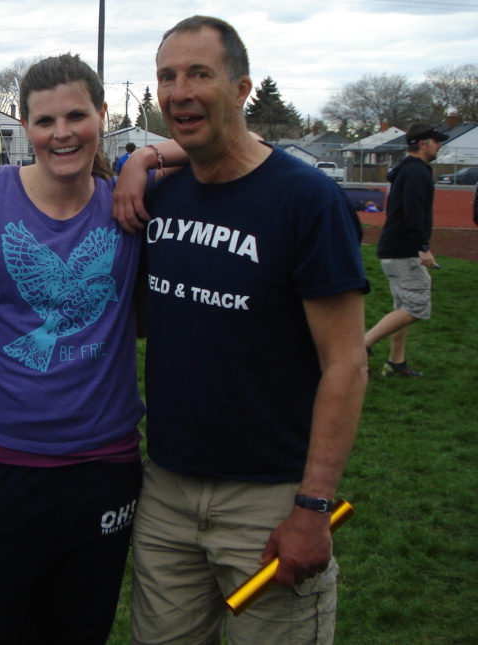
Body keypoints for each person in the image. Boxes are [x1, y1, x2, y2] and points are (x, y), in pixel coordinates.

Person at [114, 16, 368, 644]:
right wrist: (139, 160)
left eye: (200, 73)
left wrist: (312, 505)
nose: (180, 92)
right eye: (167, 77)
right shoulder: (162, 199)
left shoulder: (305, 201)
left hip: (270, 499)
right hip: (167, 490)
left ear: (242, 88)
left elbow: (346, 362)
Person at [0, 53, 156, 645]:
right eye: (44, 121)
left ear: (103, 115)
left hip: (102, 466)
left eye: (77, 116)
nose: (61, 134)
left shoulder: (124, 205)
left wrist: (146, 157)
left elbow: (231, 144)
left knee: (80, 630)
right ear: (24, 127)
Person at [364, 122, 448, 377]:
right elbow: (413, 213)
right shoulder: (417, 172)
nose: (439, 145)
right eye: (435, 141)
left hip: (395, 249)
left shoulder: (408, 170)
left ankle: (395, 363)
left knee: (402, 306)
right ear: (422, 144)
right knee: (416, 306)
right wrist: (422, 247)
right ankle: (362, 344)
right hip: (404, 251)